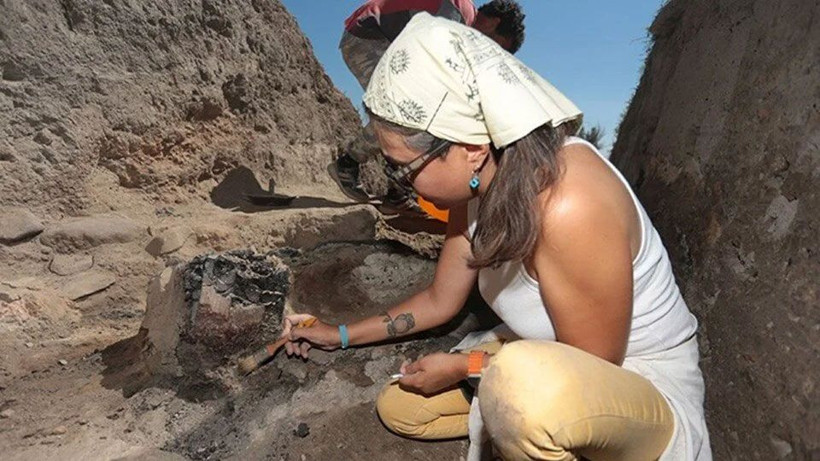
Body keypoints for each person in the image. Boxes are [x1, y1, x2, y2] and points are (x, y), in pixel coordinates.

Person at [285, 13, 711, 461]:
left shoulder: (569, 204)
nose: (399, 180)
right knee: (404, 407)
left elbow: (590, 364)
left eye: (402, 167)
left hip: (631, 383)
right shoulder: (478, 189)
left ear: (470, 150)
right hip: (537, 361)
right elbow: (439, 301)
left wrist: (465, 366)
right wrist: (339, 335)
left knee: (525, 398)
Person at [332, 0, 525, 220]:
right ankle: (353, 166)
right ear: (493, 23)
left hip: (384, 41)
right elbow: (434, 61)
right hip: (368, 38)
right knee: (406, 113)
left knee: (412, 113)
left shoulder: (463, 20)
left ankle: (395, 191)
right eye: (495, 44)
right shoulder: (458, 11)